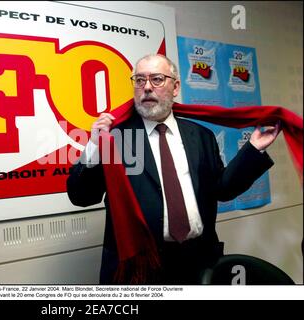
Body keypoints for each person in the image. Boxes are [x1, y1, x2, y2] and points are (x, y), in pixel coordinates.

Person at [66, 54, 281, 285]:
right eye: (139, 80)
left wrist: (253, 148)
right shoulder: (117, 139)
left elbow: (223, 190)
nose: (147, 87)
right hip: (139, 269)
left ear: (175, 86)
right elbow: (82, 197)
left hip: (197, 261)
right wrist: (94, 146)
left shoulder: (200, 136)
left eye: (157, 79)